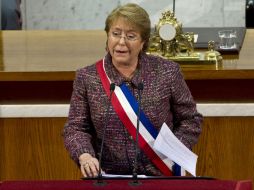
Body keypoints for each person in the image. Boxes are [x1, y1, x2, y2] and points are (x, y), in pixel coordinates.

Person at [63, 3, 203, 178]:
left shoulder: (167, 72)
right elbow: (76, 128)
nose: (121, 42)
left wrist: (175, 150)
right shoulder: (88, 77)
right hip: (109, 178)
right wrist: (84, 155)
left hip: (161, 176)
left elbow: (190, 119)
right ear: (107, 36)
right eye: (115, 34)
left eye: (131, 36)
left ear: (143, 42)